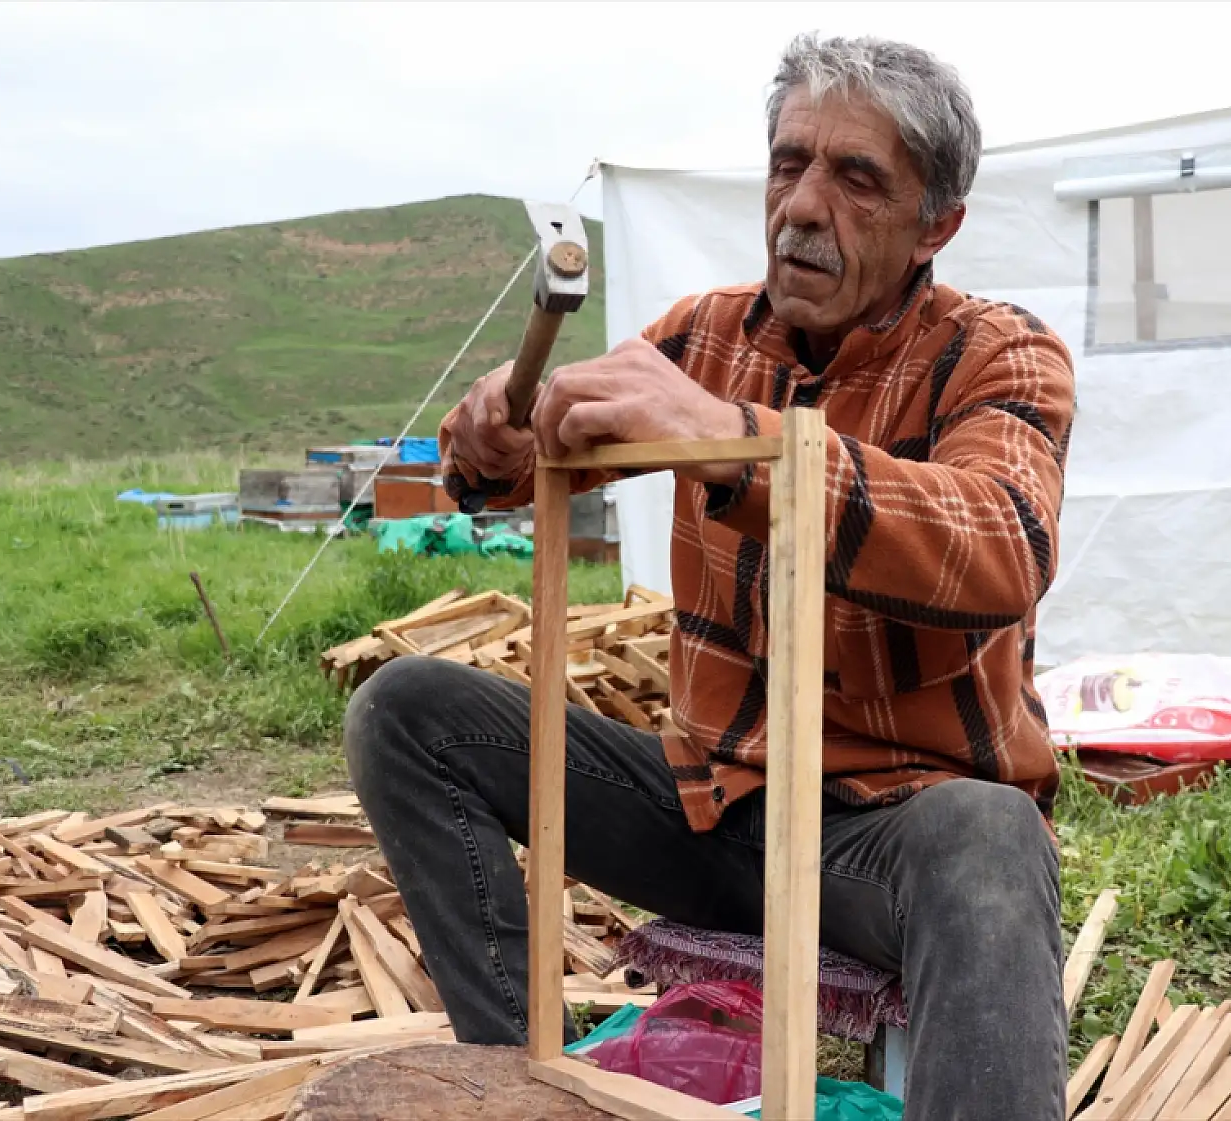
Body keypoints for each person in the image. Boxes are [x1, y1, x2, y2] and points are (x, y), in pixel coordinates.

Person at [345, 33, 1075, 1121]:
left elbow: (1001, 541)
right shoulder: (699, 337)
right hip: (707, 806)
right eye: (789, 163)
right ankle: (518, 1081)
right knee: (409, 711)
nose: (803, 206)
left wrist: (743, 442)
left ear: (937, 224)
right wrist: (488, 445)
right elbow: (527, 450)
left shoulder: (998, 356)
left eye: (856, 178)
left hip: (880, 838)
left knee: (987, 832)